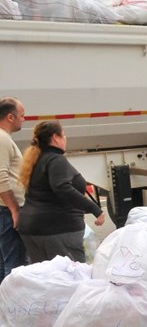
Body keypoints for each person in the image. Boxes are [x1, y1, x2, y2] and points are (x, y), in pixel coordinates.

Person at [17, 121, 105, 263]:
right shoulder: (56, 160)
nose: (65, 139)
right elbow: (62, 187)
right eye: (63, 135)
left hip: (32, 228)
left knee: (46, 278)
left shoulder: (35, 160)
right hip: (59, 229)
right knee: (70, 278)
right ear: (56, 138)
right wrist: (95, 209)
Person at [0, 97, 26, 281]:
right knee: (14, 264)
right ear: (10, 117)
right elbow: (0, 176)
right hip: (7, 212)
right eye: (22, 115)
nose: (24, 119)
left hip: (5, 211)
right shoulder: (2, 139)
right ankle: (13, 307)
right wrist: (14, 208)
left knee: (5, 262)